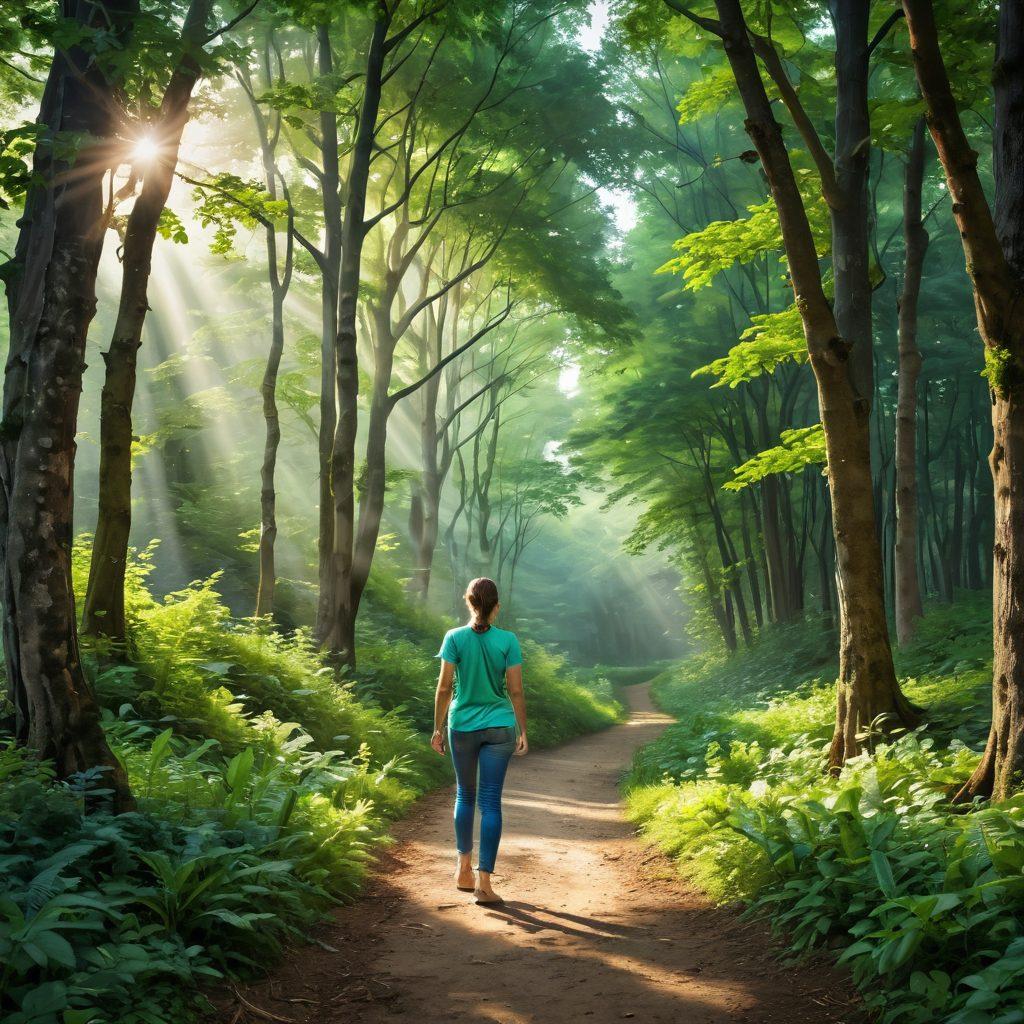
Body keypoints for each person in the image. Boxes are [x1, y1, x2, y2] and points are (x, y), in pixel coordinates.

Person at [431, 577, 528, 904]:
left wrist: (437, 729)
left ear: (468, 602)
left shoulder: (454, 638)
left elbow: (444, 688)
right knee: (490, 802)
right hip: (500, 726)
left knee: (465, 794)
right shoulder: (508, 640)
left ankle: (463, 869)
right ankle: (484, 884)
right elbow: (515, 690)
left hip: (463, 725)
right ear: (496, 606)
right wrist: (523, 730)